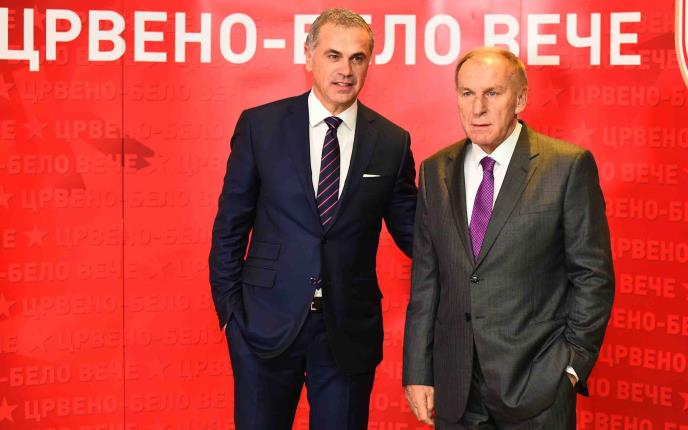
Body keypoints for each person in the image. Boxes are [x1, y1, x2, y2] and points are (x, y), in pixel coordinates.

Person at [209, 8, 417, 430]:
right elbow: (230, 227)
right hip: (264, 327)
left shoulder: (391, 142)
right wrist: (231, 316)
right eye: (333, 56)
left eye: (357, 58)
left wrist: (482, 250)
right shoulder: (260, 126)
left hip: (347, 333)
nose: (345, 70)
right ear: (309, 57)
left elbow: (415, 235)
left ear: (369, 63)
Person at [402, 47, 614, 429]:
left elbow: (592, 275)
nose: (477, 108)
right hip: (456, 389)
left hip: (537, 388)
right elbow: (426, 281)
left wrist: (570, 367)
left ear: (520, 99)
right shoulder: (434, 171)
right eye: (467, 93)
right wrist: (418, 371)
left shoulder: (567, 166)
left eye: (492, 93)